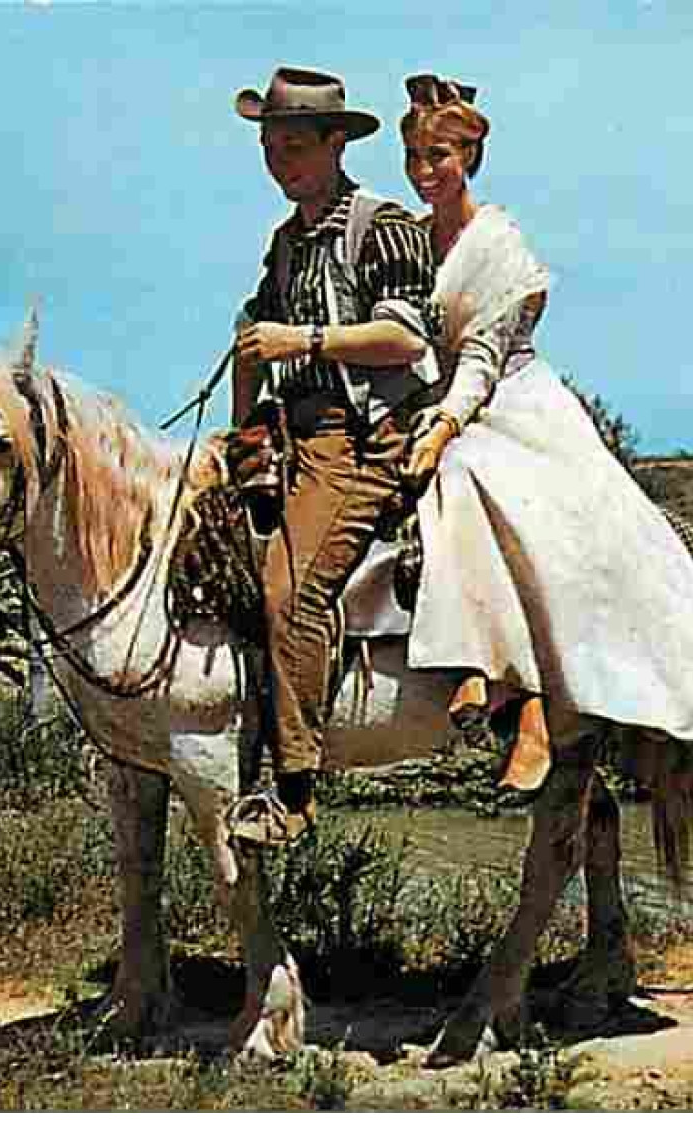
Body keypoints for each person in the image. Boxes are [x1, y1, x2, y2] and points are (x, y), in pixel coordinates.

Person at [396, 73, 693, 790]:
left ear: (467, 155)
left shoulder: (498, 244)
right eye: (412, 157)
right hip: (437, 396)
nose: (422, 172)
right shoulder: (409, 240)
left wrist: (440, 427)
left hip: (509, 400)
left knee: (478, 481)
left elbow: (480, 357)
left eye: (436, 156)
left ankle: (508, 679)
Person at [226, 67, 439, 848]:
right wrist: (242, 429)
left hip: (362, 439)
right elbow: (250, 338)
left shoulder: (381, 227)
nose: (278, 160)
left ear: (334, 143)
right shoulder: (284, 245)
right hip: (295, 432)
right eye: (268, 146)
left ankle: (293, 788)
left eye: (292, 145)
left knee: (292, 589)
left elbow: (406, 337)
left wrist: (302, 341)